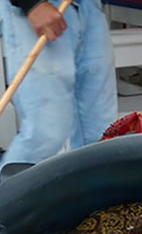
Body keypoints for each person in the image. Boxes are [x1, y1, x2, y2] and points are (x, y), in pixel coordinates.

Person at [0, 0, 117, 172]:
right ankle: (7, 196)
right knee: (45, 135)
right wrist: (31, 3)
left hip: (90, 7)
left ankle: (94, 196)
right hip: (38, 8)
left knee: (102, 134)